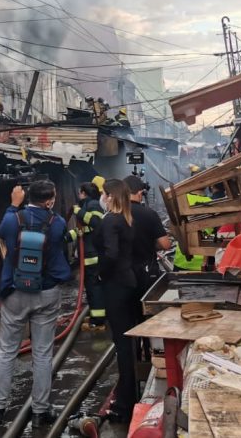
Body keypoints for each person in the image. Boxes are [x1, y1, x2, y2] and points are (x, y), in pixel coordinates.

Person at [0, 181, 72, 428]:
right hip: (46, 292)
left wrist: (14, 205)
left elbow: (2, 233)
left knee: (5, 351)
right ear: (50, 200)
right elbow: (62, 241)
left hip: (15, 291)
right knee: (43, 353)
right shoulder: (57, 223)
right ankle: (40, 411)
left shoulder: (14, 219)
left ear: (27, 196)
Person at [97, 178, 139, 423]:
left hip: (117, 285)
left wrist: (101, 271)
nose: (103, 198)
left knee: (122, 343)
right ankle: (128, 393)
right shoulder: (126, 219)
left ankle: (125, 402)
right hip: (128, 281)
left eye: (104, 194)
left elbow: (111, 253)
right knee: (126, 342)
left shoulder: (112, 221)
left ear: (110, 196)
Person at [124, 175, 173, 303]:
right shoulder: (149, 214)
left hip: (122, 273)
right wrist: (150, 243)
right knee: (147, 307)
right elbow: (166, 245)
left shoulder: (114, 214)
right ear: (140, 193)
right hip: (145, 271)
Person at [72, 181, 106, 329]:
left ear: (84, 193)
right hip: (88, 254)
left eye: (80, 192)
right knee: (91, 288)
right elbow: (85, 230)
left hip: (92, 257)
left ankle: (98, 320)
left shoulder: (92, 205)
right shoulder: (88, 204)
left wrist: (78, 212)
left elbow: (96, 223)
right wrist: (69, 236)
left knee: (94, 288)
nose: (79, 195)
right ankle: (95, 315)